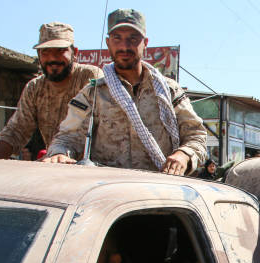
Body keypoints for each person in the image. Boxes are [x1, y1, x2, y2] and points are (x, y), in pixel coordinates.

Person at [44, 9, 206, 176]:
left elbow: (196, 135)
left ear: (145, 43)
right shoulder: (93, 95)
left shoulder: (169, 91)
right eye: (117, 38)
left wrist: (183, 155)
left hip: (160, 190)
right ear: (108, 43)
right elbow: (66, 139)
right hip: (110, 192)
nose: (124, 46)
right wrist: (59, 154)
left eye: (133, 39)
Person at [0, 22, 102, 159]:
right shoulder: (34, 88)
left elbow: (99, 128)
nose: (52, 58)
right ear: (38, 55)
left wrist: (63, 153)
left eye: (60, 50)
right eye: (45, 51)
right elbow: (16, 131)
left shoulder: (90, 77)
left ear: (74, 53)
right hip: (54, 164)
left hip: (93, 167)